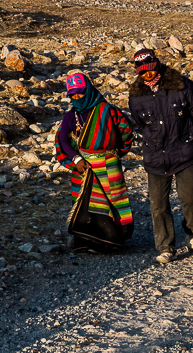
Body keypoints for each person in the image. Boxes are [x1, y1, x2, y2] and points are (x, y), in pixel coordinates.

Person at [128, 49, 193, 264]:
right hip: (155, 156)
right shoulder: (136, 96)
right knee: (158, 205)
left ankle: (190, 230)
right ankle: (165, 246)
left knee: (191, 199)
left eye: (150, 69)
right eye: (142, 72)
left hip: (184, 152)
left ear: (157, 65)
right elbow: (140, 122)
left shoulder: (181, 84)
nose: (147, 75)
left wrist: (182, 133)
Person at [55, 71, 135, 251]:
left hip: (108, 164)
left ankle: (112, 239)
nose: (76, 97)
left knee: (113, 201)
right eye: (72, 94)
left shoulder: (109, 111)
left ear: (89, 90)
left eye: (80, 93)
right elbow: (62, 140)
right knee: (86, 203)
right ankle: (87, 241)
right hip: (84, 167)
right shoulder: (70, 116)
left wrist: (117, 153)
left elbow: (126, 131)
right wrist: (76, 160)